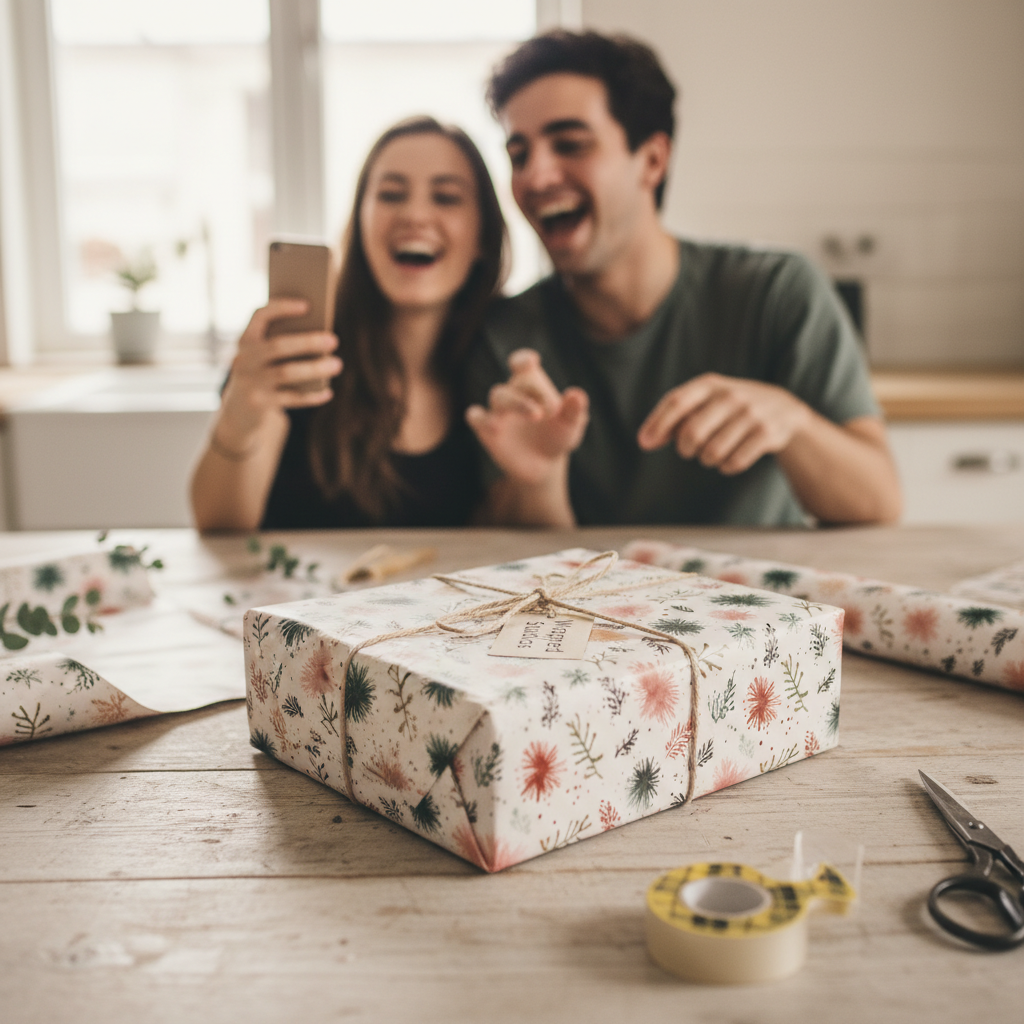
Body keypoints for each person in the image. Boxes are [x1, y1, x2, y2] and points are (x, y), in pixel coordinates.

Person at [465, 31, 902, 528]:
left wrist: (793, 421)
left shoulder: (777, 291)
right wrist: (536, 480)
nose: (536, 177)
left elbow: (879, 505)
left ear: (652, 160)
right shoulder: (507, 338)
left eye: (570, 144)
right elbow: (528, 567)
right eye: (519, 155)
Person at [191, 116, 507, 531]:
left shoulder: (500, 362)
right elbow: (219, 525)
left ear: (484, 235)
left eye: (446, 197)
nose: (414, 214)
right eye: (391, 194)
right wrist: (237, 419)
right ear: (361, 221)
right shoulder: (298, 351)